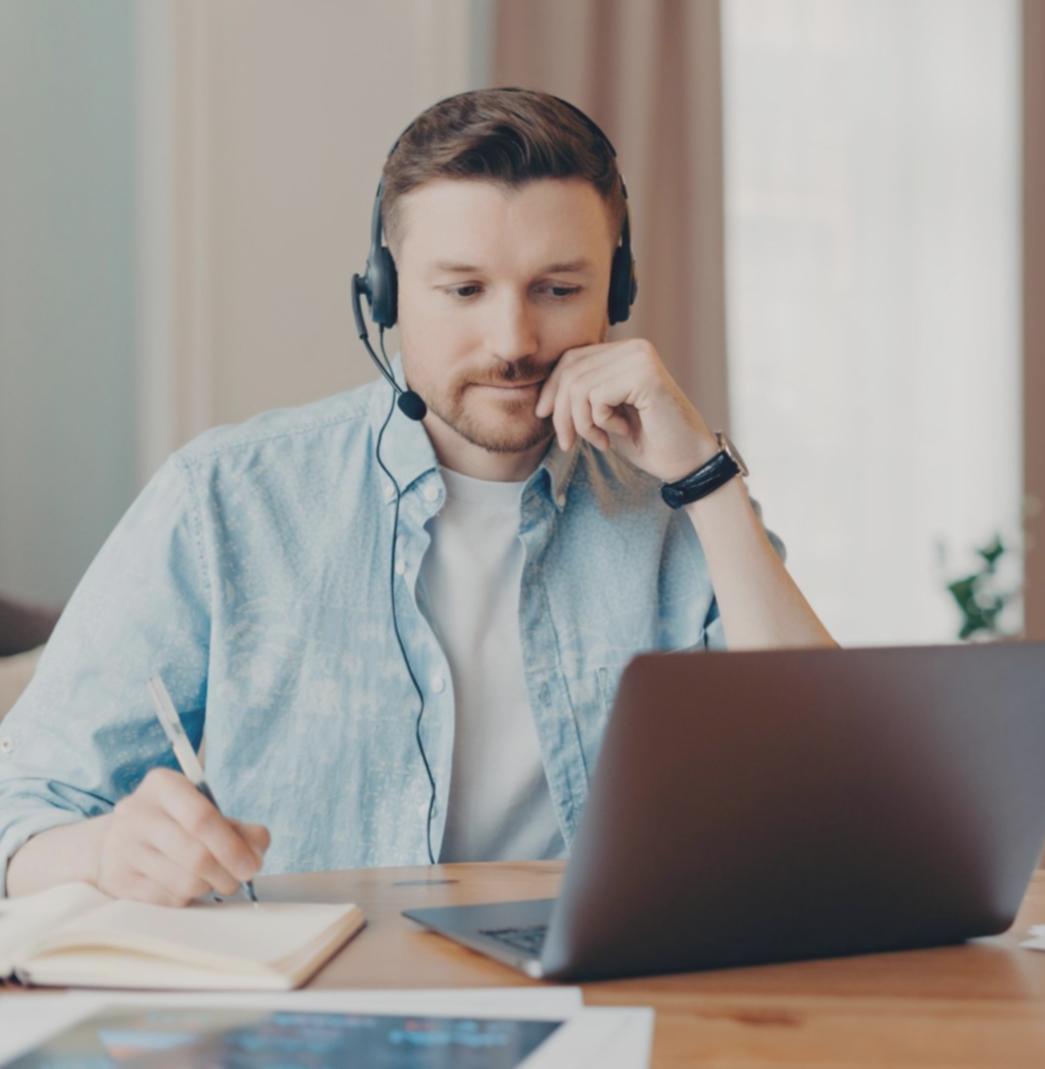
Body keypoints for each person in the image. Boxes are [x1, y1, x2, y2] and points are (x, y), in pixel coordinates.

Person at [0, 87, 833, 903]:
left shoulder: (679, 499)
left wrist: (709, 480)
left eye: (559, 289)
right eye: (464, 290)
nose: (514, 342)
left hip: (605, 995)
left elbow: (830, 786)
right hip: (320, 1013)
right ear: (385, 294)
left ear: (617, 294)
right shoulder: (224, 499)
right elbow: (19, 810)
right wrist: (109, 852)